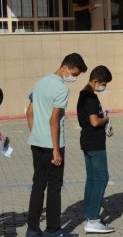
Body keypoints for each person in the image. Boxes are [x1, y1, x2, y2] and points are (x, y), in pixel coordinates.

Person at [26, 53, 88, 237]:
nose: (74, 78)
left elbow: (29, 112)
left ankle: (32, 229)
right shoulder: (61, 89)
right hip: (53, 144)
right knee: (54, 186)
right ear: (65, 68)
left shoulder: (40, 83)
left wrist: (35, 132)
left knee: (38, 185)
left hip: (36, 141)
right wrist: (55, 150)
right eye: (74, 74)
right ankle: (53, 229)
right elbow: (54, 119)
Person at [77, 65, 115, 234]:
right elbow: (94, 122)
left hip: (87, 142)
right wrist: (105, 119)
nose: (103, 86)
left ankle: (89, 214)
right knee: (101, 178)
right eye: (103, 83)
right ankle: (93, 219)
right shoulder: (90, 97)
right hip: (94, 143)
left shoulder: (83, 95)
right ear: (95, 81)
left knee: (92, 179)